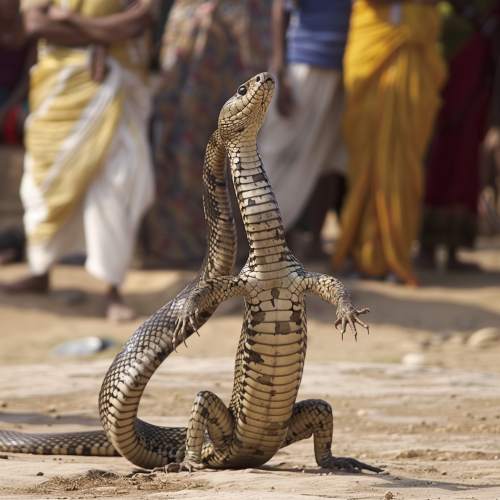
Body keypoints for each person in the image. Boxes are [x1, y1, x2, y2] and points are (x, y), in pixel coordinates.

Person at [0, 0, 158, 322]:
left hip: (118, 88)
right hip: (59, 88)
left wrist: (68, 18)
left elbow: (136, 25)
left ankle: (112, 288)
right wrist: (103, 36)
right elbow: (34, 24)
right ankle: (40, 272)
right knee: (45, 184)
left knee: (118, 180)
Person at [141, 0, 271, 268]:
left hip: (241, 41)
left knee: (238, 141)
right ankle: (176, 244)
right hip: (193, 35)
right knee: (181, 137)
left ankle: (234, 248)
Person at [331, 0, 447, 286]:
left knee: (402, 163)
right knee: (365, 163)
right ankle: (363, 255)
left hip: (415, 50)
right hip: (371, 47)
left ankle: (397, 256)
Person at [258, 0, 351, 260]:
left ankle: (315, 242)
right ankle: (266, 240)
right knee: (278, 153)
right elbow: (281, 9)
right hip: (303, 65)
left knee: (328, 159)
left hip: (344, 69)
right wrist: (281, 71)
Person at [418, 1, 500, 271]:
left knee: (467, 152)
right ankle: (428, 246)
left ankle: (453, 248)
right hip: (457, 50)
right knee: (445, 147)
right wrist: (479, 19)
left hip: (482, 55)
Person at [0, 0, 36, 146]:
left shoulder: (30, 28)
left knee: (27, 120)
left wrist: (5, 111)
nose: (10, 2)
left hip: (17, 98)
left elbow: (28, 77)